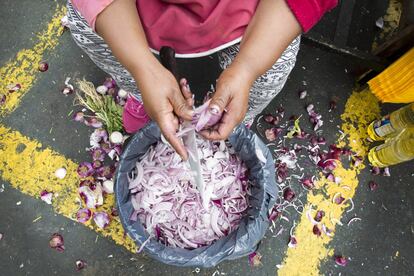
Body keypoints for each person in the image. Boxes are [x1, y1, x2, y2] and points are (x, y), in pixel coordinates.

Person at [67, 0, 337, 160]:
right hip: (126, 12)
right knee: (110, 53)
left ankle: (236, 113)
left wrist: (247, 68)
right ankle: (142, 95)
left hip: (255, 14)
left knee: (265, 78)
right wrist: (142, 68)